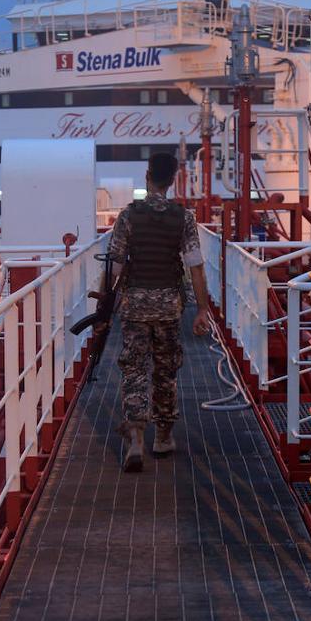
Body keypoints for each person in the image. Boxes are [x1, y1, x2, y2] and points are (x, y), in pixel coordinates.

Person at [106, 152, 213, 472]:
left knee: (134, 369)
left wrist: (106, 307)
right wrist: (202, 310)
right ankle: (163, 436)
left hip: (135, 305)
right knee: (165, 370)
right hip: (169, 306)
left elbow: (115, 265)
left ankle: (136, 437)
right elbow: (195, 267)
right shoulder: (185, 218)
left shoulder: (128, 216)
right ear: (172, 179)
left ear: (148, 175)